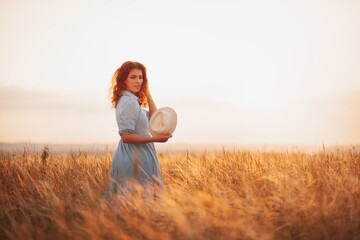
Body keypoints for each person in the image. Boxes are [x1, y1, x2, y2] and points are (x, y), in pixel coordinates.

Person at [104, 61, 172, 200]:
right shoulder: (128, 101)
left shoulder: (133, 101)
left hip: (141, 158)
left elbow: (154, 119)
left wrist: (148, 94)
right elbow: (126, 137)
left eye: (140, 77)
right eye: (133, 77)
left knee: (140, 205)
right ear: (124, 80)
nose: (138, 81)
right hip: (133, 159)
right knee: (135, 203)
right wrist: (156, 139)